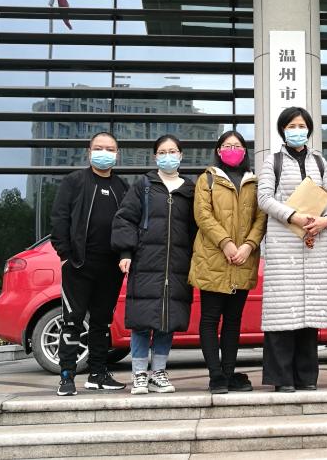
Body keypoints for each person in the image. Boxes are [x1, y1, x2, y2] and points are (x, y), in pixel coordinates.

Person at [256, 107, 327, 392]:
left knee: (309, 313)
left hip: (316, 243)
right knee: (282, 314)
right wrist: (293, 217)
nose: (297, 130)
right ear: (283, 130)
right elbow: (264, 198)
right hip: (284, 244)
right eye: (292, 126)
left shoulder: (320, 161)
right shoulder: (273, 161)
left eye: (302, 125)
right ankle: (282, 379)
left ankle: (306, 377)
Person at [112, 134, 197, 395]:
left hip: (178, 265)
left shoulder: (190, 189)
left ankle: (158, 372)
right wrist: (125, 252)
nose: (168, 156)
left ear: (181, 155)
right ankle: (139, 374)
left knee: (167, 320)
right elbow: (125, 218)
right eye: (162, 152)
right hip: (146, 262)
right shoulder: (144, 186)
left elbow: (198, 227)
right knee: (142, 320)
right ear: (155, 157)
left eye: (172, 152)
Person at [50, 131, 129, 396]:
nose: (104, 153)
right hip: (78, 265)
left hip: (111, 268)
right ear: (89, 152)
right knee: (72, 321)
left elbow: (128, 224)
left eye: (110, 149)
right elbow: (59, 218)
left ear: (117, 154)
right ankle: (66, 376)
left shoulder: (122, 187)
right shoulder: (74, 181)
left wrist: (125, 254)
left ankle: (98, 374)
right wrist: (64, 255)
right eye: (99, 148)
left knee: (101, 322)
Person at [189, 131, 267, 394]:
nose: (232, 149)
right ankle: (216, 376)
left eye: (237, 145)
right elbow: (202, 215)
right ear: (218, 150)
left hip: (243, 259)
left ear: (245, 151)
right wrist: (225, 243)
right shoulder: (207, 178)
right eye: (227, 145)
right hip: (213, 258)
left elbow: (261, 218)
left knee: (233, 321)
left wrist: (248, 245)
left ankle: (229, 373)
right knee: (210, 319)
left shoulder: (254, 182)